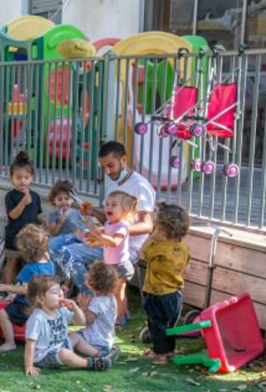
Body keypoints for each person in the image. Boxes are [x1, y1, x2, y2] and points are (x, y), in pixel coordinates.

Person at [63, 141, 155, 299]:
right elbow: (109, 218)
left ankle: (92, 297)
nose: (107, 171)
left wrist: (108, 231)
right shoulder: (113, 184)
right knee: (59, 245)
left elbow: (147, 226)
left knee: (68, 254)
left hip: (123, 249)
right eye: (103, 167)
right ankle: (89, 295)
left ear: (124, 160)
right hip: (107, 241)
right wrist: (92, 212)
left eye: (111, 165)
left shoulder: (140, 185)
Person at [23, 275, 118, 377]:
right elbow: (30, 344)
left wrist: (76, 309)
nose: (61, 294)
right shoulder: (37, 318)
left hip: (60, 345)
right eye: (55, 292)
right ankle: (91, 363)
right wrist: (29, 366)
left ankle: (100, 354)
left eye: (60, 290)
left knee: (75, 336)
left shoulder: (60, 310)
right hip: (45, 356)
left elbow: (81, 321)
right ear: (41, 299)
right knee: (64, 354)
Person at [139, 203, 191, 363]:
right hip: (175, 294)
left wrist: (152, 236)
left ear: (161, 227)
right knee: (170, 325)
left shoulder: (157, 247)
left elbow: (141, 253)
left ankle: (159, 353)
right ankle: (170, 350)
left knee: (156, 324)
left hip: (156, 293)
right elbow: (186, 268)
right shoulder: (183, 247)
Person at [82, 191, 138, 326]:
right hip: (111, 264)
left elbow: (114, 242)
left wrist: (97, 234)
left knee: (119, 293)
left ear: (124, 210)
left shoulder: (123, 226)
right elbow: (107, 243)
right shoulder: (109, 224)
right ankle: (122, 313)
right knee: (114, 293)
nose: (108, 208)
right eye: (107, 204)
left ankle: (121, 316)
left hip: (120, 266)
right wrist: (96, 241)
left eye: (114, 205)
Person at [0, 224, 56, 330]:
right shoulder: (50, 264)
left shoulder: (29, 268)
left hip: (27, 306)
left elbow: (26, 290)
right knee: (11, 297)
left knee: (2, 315)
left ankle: (9, 342)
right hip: (42, 303)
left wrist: (6, 287)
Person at [3, 151, 44, 284]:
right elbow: (13, 215)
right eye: (18, 177)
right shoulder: (10, 196)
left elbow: (37, 215)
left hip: (31, 239)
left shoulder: (36, 196)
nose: (23, 181)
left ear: (31, 178)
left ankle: (28, 289)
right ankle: (7, 289)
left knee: (31, 264)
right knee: (11, 262)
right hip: (14, 236)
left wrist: (44, 222)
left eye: (26, 177)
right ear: (11, 178)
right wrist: (23, 202)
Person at [74, 261, 119, 356]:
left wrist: (83, 307)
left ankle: (98, 354)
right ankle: (106, 350)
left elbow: (87, 320)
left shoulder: (97, 302)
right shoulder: (112, 298)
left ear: (91, 283)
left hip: (96, 340)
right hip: (107, 338)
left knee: (72, 337)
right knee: (75, 334)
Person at [45, 180, 83, 261]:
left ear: (72, 199)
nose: (63, 202)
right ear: (53, 201)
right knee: (52, 245)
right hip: (58, 243)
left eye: (67, 198)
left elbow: (80, 228)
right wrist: (59, 223)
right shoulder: (53, 215)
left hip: (72, 241)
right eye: (59, 199)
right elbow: (53, 232)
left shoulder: (77, 213)